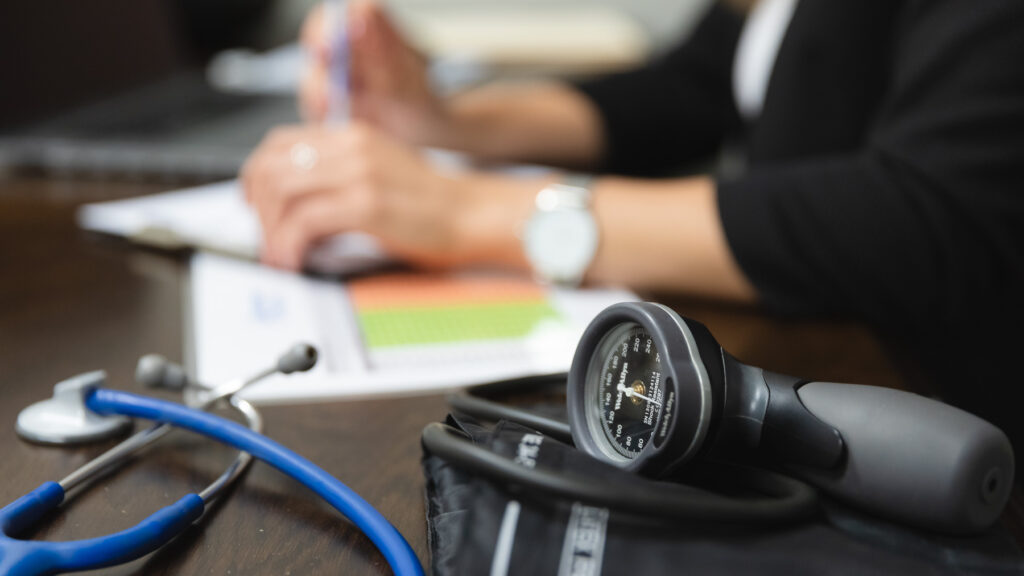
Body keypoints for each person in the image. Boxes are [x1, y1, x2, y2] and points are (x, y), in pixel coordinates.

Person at [243, 0, 1024, 456]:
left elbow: (924, 213)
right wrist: (441, 120)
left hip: (933, 423)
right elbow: (691, 87)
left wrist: (474, 212)